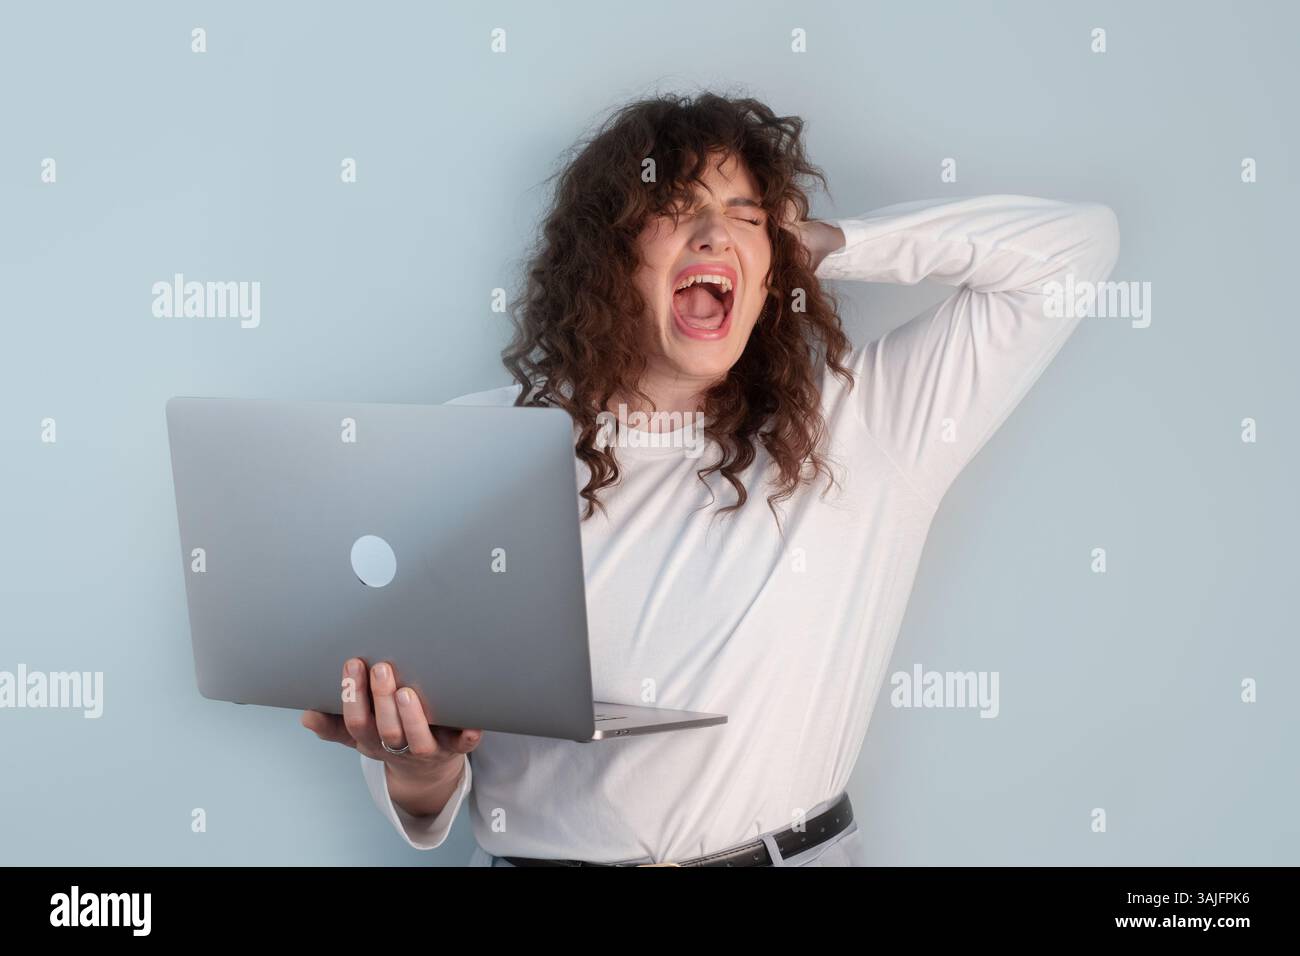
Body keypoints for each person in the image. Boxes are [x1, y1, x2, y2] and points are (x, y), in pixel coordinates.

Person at [301, 91, 1120, 867]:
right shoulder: (478, 443)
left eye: (745, 215)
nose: (713, 233)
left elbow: (1074, 251)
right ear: (606, 257)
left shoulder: (865, 425)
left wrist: (827, 244)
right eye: (673, 209)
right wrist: (416, 768)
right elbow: (428, 786)